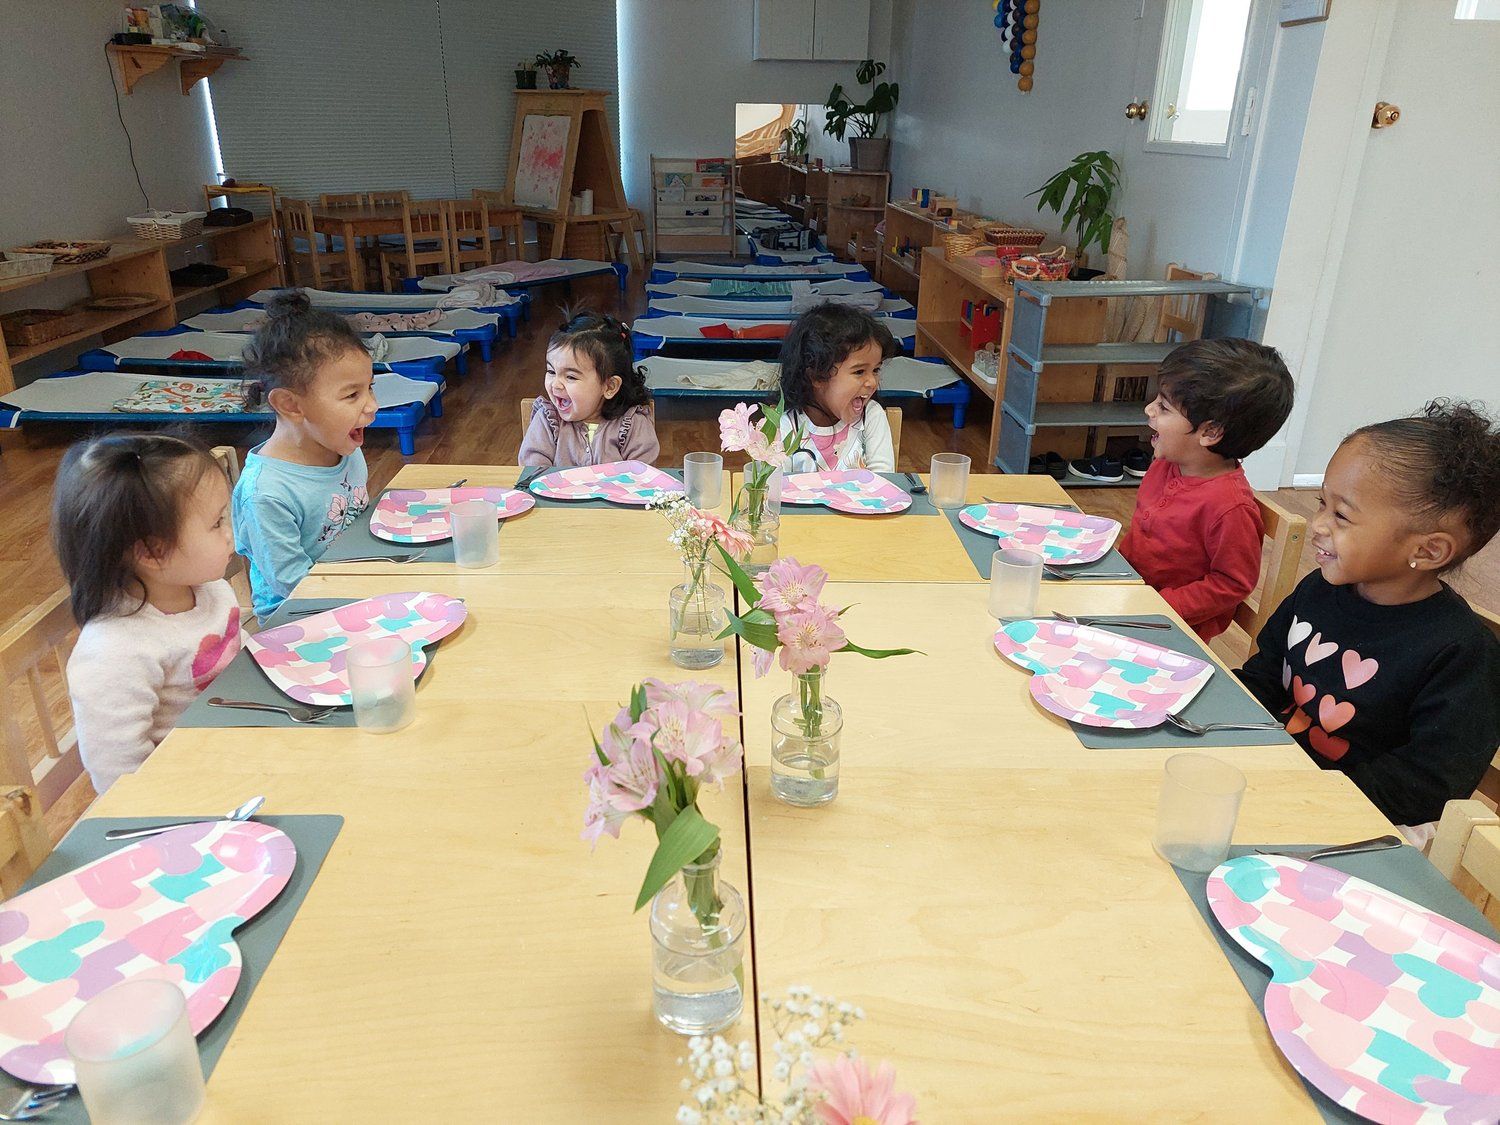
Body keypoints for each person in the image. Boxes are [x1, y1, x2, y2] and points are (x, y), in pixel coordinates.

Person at [1237, 400, 1500, 837]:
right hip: (1279, 781)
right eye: (1322, 503)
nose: (1318, 524)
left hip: (1375, 828)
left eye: (1340, 515)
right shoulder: (1320, 590)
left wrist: (1300, 797)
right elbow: (1263, 676)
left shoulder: (1462, 655)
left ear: (1427, 550)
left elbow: (1423, 788)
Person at [53, 434, 242, 793]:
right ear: (153, 553)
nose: (230, 534)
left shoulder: (208, 587)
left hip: (236, 746)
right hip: (189, 791)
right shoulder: (115, 651)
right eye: (217, 523)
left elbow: (238, 657)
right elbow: (117, 774)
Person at [1117, 338, 1295, 640]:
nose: (1149, 409)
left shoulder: (1230, 508)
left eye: (1163, 406)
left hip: (1170, 632)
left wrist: (1160, 606)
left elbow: (1232, 583)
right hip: (1129, 600)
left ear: (1210, 432)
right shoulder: (1168, 462)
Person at [232, 291, 374, 620]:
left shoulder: (344, 448)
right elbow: (292, 583)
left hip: (351, 590)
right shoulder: (266, 493)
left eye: (371, 388)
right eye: (352, 394)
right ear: (291, 405)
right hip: (296, 619)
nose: (371, 406)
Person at [519, 310, 657, 466]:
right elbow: (533, 474)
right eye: (551, 371)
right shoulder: (547, 421)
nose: (556, 384)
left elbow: (642, 479)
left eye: (570, 377)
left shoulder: (633, 425)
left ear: (609, 387)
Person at [774, 304, 896, 473]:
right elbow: (776, 488)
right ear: (818, 376)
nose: (872, 382)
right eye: (859, 371)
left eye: (875, 370)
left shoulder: (872, 417)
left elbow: (883, 480)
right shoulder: (786, 426)